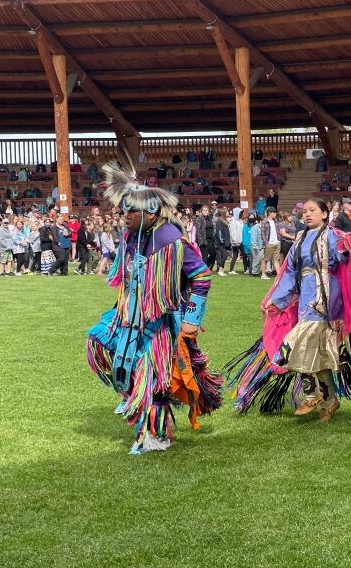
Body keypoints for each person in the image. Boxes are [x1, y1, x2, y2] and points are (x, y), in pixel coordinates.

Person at [225, 198, 351, 421]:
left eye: (313, 210)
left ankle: (312, 394)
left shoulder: (331, 235)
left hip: (327, 299)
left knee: (295, 345)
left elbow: (343, 257)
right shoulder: (300, 238)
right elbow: (290, 273)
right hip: (305, 299)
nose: (307, 214)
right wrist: (277, 300)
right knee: (316, 354)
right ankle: (329, 400)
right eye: (305, 211)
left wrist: (345, 247)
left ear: (324, 214)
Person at [87, 162, 221, 455]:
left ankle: (156, 435)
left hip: (159, 319)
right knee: (98, 341)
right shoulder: (133, 236)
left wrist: (191, 320)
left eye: (130, 211)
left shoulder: (168, 238)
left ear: (150, 212)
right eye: (123, 211)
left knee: (154, 377)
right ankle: (130, 395)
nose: (124, 217)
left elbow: (201, 275)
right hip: (130, 313)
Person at [260, 206, 281, 280]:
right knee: (265, 259)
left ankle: (279, 276)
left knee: (276, 260)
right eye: (274, 212)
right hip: (269, 244)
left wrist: (279, 241)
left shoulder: (276, 222)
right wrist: (266, 243)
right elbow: (262, 233)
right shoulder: (264, 222)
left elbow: (278, 232)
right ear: (269, 213)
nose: (275, 214)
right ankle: (263, 274)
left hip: (277, 243)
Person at [214, 209, 231, 277]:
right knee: (225, 255)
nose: (228, 213)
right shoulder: (219, 221)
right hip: (220, 242)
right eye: (227, 212)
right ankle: (220, 270)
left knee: (224, 255)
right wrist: (222, 241)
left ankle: (222, 270)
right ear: (223, 213)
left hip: (224, 242)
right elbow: (219, 232)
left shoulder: (225, 221)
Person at [228, 207, 244, 274]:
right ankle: (231, 270)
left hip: (241, 240)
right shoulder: (233, 221)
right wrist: (235, 241)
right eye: (240, 213)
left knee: (244, 254)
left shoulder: (240, 221)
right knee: (235, 255)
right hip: (236, 242)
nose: (241, 214)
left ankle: (246, 269)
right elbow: (232, 232)